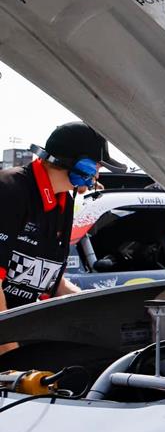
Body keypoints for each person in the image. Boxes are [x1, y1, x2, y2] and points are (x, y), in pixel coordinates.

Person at [1, 122, 126, 322]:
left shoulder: (64, 202)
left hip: (24, 331)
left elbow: (53, 284)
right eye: (98, 166)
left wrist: (100, 314)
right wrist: (8, 348)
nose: (97, 174)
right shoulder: (10, 190)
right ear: (80, 164)